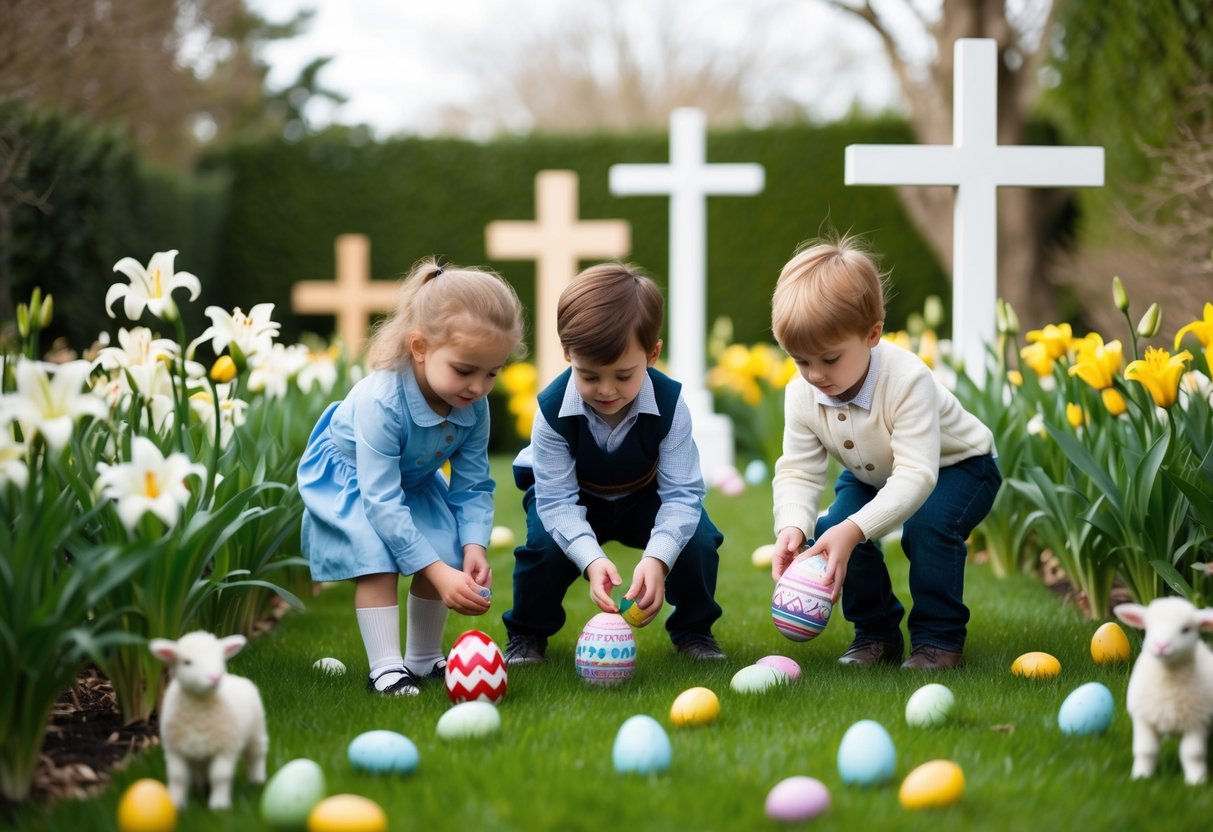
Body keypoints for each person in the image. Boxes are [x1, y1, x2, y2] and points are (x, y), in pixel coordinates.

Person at [769, 236, 1000, 670]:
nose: (815, 374)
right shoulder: (802, 394)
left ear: (872, 333)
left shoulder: (908, 380)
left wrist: (856, 529)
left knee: (928, 527)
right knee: (832, 526)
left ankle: (938, 640)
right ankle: (876, 635)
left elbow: (917, 475)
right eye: (801, 361)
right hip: (874, 472)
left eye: (829, 359)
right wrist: (793, 526)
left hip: (960, 467)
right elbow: (799, 471)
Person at [298, 258, 525, 696]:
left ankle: (421, 659)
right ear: (419, 347)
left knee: (446, 545)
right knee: (378, 558)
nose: (478, 387)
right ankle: (385, 669)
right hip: (358, 481)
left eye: (491, 373)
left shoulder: (472, 406)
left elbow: (473, 483)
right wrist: (440, 575)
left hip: (413, 480)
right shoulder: (382, 402)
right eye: (464, 370)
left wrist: (473, 545)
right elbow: (380, 501)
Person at [502, 263, 725, 664]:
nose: (606, 390)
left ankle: (694, 631)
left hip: (647, 496)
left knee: (698, 539)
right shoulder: (552, 411)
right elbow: (556, 503)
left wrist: (658, 556)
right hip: (573, 499)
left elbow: (681, 495)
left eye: (623, 375)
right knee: (543, 549)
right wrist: (591, 559)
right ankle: (528, 633)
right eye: (589, 376)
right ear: (568, 354)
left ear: (652, 355)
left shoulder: (672, 407)